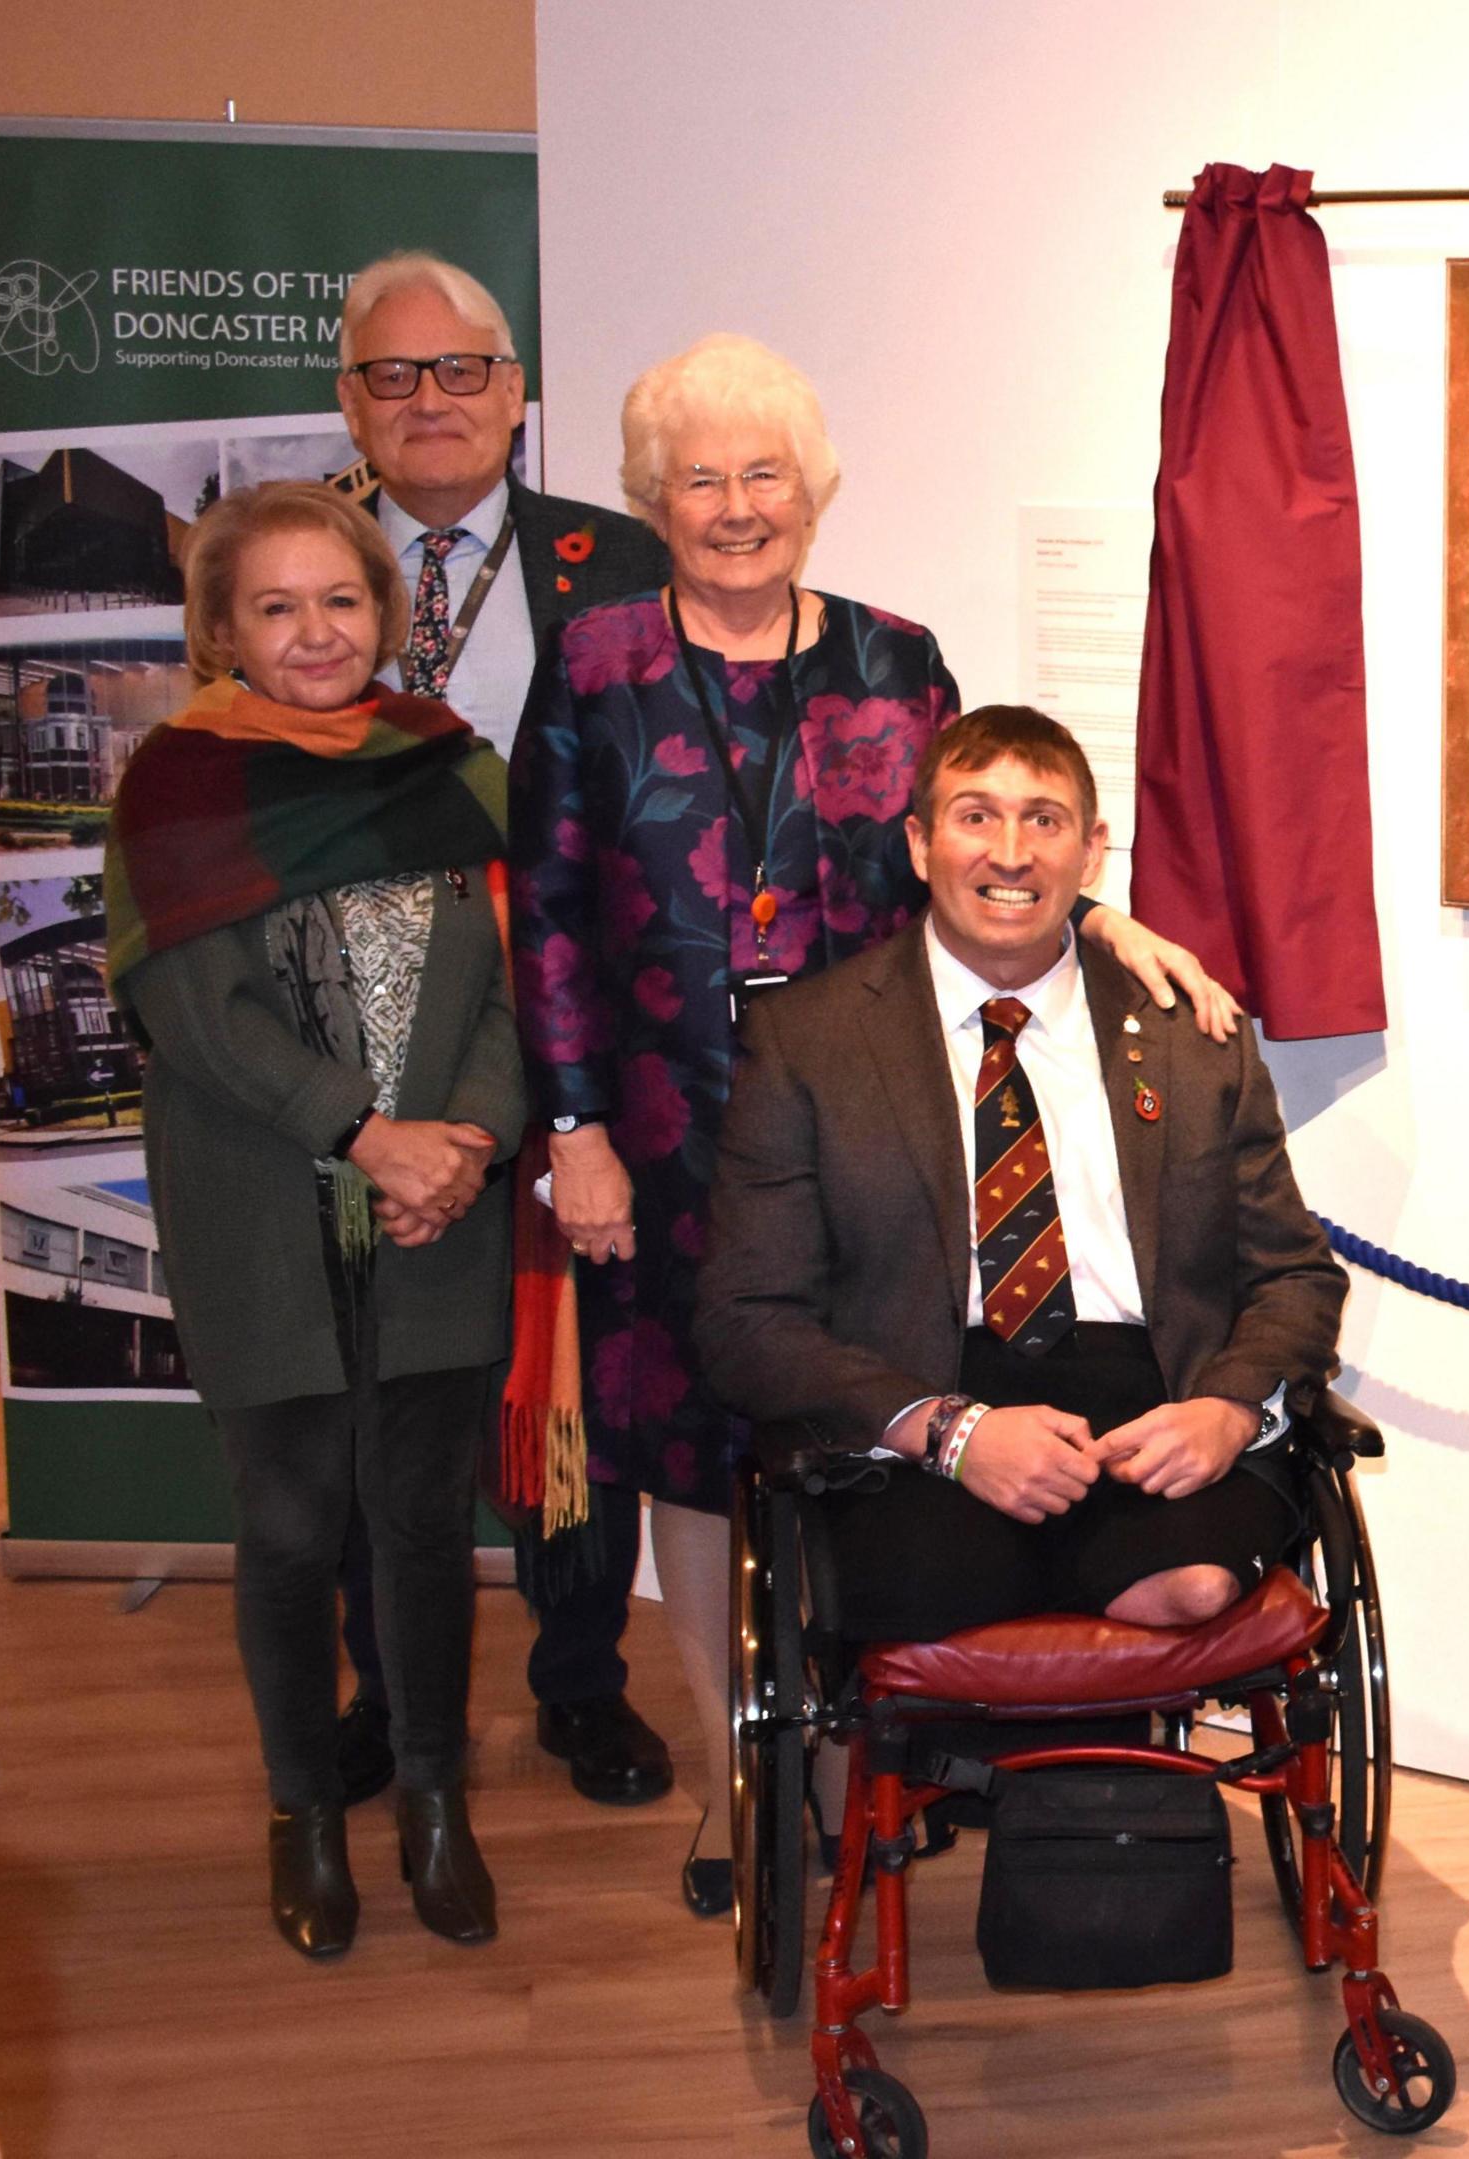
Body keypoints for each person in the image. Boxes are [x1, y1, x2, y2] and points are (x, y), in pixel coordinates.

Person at [509, 333, 1240, 1912]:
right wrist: (572, 1124)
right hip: (661, 1125)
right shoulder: (593, 664)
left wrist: (1109, 926)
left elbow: (986, 835)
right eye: (698, 478)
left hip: (871, 1118)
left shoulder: (898, 662)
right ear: (650, 499)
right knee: (702, 1459)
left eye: (764, 472)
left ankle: (864, 1764)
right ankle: (738, 1779)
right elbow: (552, 907)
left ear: (816, 492)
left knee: (871, 1413)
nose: (734, 504)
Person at [106, 482, 522, 1957]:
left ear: (384, 609)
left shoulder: (449, 763)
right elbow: (197, 1013)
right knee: (288, 1525)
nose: (314, 631)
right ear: (223, 628)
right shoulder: (177, 780)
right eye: (274, 607)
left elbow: (511, 979)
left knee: (418, 1519)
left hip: (442, 1207)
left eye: (340, 600)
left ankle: (429, 1799)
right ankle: (303, 1807)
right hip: (262, 1205)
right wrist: (368, 1135)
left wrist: (463, 1138)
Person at [697, 706, 1347, 1644]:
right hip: (922, 1408)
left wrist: (1230, 1407)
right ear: (921, 843)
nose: (1011, 853)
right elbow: (744, 1318)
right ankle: (977, 1784)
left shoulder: (1189, 1036)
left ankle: (1121, 1781)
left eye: (1043, 820)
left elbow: (1296, 1275)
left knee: (1196, 1584)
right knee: (939, 1586)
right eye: (976, 816)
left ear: (1091, 853)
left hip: (1153, 1404)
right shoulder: (810, 1041)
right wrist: (950, 1432)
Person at [326, 248, 678, 1814]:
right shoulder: (291, 554)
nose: (430, 403)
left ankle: (580, 1682)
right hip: (366, 1042)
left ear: (516, 393)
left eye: (460, 370)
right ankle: (387, 1692)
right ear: (350, 399)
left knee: (571, 1382)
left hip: (566, 1027)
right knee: (383, 1380)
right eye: (392, 375)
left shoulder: (618, 558)